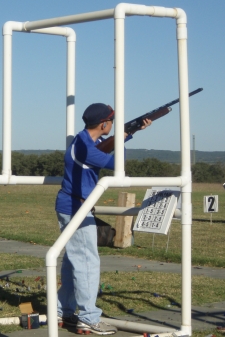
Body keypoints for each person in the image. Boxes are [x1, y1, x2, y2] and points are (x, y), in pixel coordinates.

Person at [54, 103, 151, 335]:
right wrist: (124, 138)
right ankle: (88, 318)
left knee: (73, 262)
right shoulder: (87, 148)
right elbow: (118, 164)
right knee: (87, 261)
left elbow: (104, 148)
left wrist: (130, 132)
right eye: (112, 121)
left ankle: (63, 310)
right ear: (104, 124)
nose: (113, 124)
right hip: (77, 207)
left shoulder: (84, 141)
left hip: (74, 205)